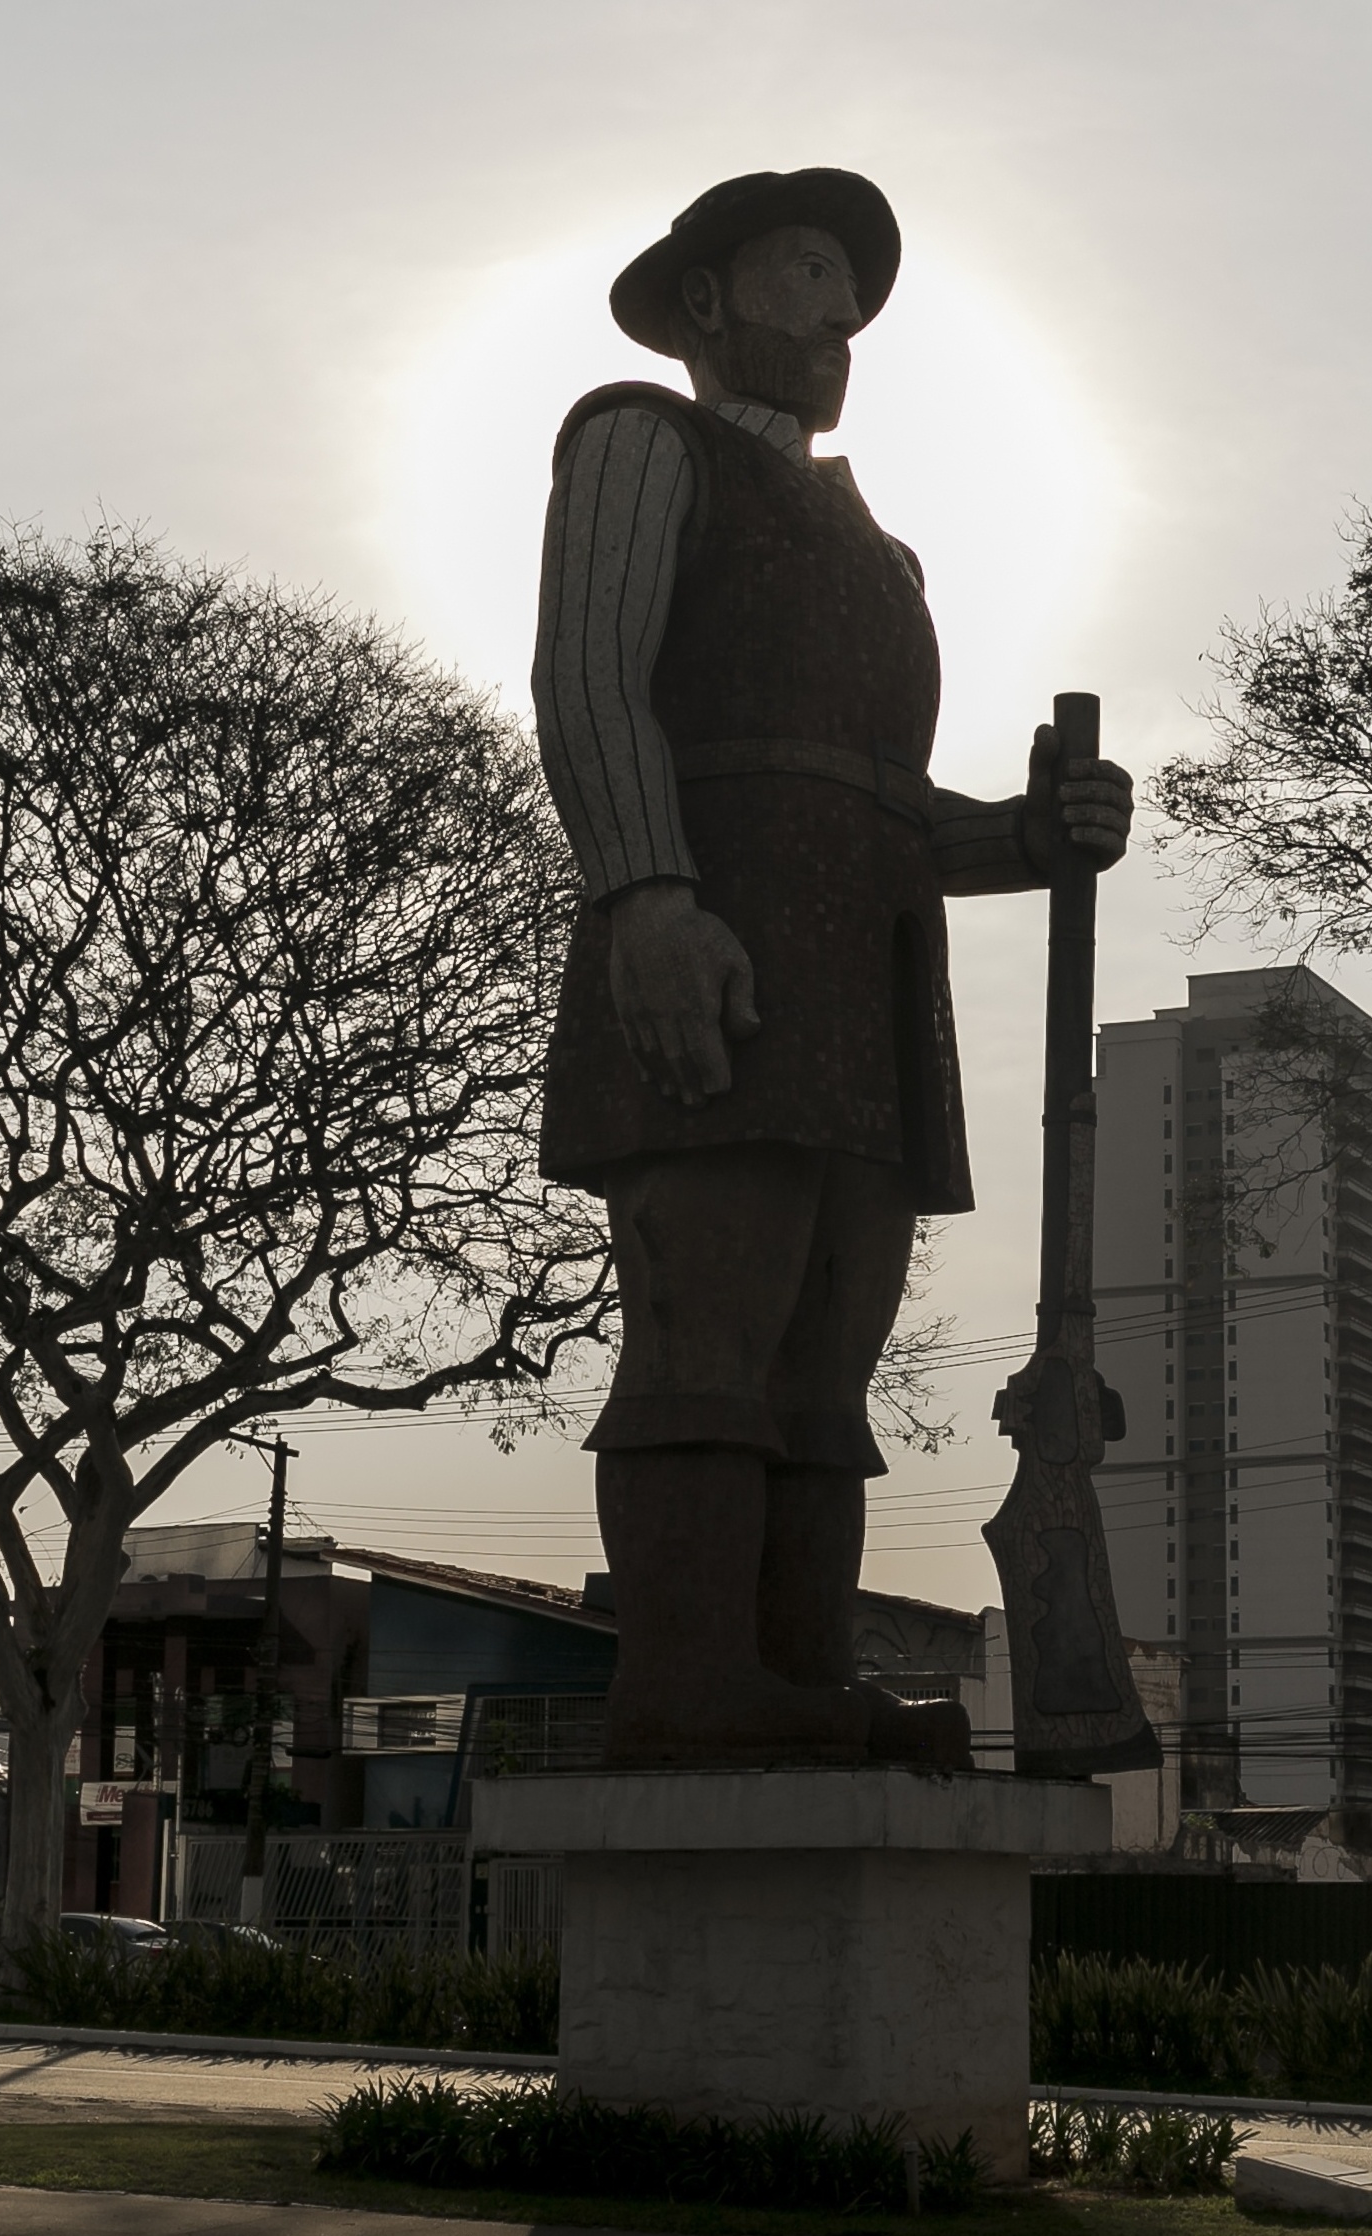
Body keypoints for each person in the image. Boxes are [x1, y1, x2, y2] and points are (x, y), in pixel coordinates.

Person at [530, 169, 1134, 1768]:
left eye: (848, 284)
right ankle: (681, 1679)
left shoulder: (883, 552)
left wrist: (1036, 832)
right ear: (710, 301)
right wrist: (649, 896)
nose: (838, 311)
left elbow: (886, 807)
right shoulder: (635, 442)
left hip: (865, 990)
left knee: (826, 1363)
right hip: (714, 961)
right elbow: (588, 680)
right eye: (804, 271)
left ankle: (788, 1673)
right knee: (705, 1325)